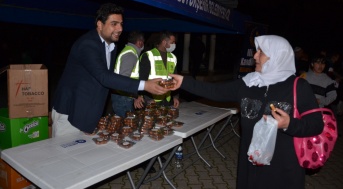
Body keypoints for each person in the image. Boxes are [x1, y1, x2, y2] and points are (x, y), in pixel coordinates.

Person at [170, 35, 324, 189]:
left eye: (261, 52)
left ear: (277, 56)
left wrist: (289, 124)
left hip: (283, 167)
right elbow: (215, 91)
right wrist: (184, 82)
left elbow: (316, 124)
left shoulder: (298, 87)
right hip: (251, 162)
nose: (255, 56)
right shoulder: (249, 82)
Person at [52, 3, 168, 137]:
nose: (120, 28)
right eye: (114, 24)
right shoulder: (88, 44)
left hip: (86, 113)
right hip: (70, 112)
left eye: (121, 24)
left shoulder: (111, 46)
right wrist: (145, 85)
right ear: (100, 25)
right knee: (66, 157)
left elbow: (104, 81)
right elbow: (104, 77)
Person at [137, 30, 179, 108]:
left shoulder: (173, 57)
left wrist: (175, 96)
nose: (174, 45)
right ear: (164, 42)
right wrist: (148, 99)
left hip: (167, 99)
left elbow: (175, 79)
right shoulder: (148, 56)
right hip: (152, 99)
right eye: (172, 42)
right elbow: (142, 79)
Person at [111, 31, 145, 117]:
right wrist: (135, 96)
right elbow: (124, 81)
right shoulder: (130, 54)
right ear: (140, 42)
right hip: (122, 97)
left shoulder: (131, 52)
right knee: (126, 125)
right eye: (143, 42)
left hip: (125, 96)